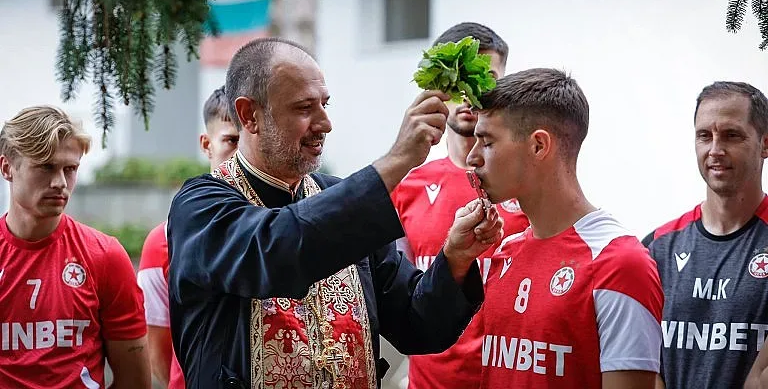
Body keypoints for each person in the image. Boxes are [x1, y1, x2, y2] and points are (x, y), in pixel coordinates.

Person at [166, 37, 504, 388]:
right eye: (303, 108)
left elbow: (418, 325)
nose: (325, 123)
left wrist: (455, 258)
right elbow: (279, 247)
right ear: (250, 115)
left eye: (325, 105)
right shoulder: (200, 206)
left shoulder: (339, 200)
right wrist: (396, 161)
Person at [459, 68, 663, 388]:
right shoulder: (503, 253)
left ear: (539, 146)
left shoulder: (619, 262)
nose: (471, 158)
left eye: (486, 142)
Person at [390, 22, 529, 389]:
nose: (468, 93)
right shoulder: (404, 187)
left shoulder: (530, 184)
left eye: (483, 78)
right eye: (455, 80)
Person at [0, 106, 151, 388]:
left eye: (70, 169)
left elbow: (135, 380)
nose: (60, 183)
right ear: (7, 167)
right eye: (45, 166)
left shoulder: (104, 256)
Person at [642, 82, 768, 389]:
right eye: (704, 136)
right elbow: (640, 364)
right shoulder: (656, 247)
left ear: (765, 144)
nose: (715, 150)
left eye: (731, 135)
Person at [137, 85, 238, 388]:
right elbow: (158, 348)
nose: (240, 154)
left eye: (248, 141)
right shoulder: (162, 240)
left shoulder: (279, 227)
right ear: (207, 144)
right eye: (231, 141)